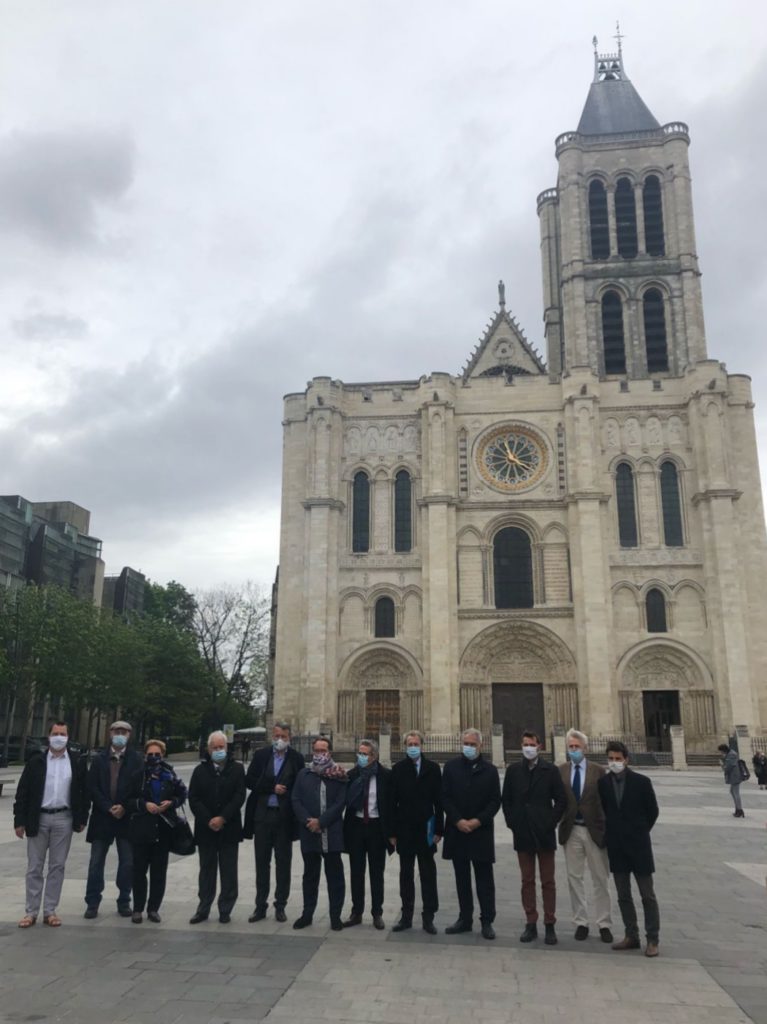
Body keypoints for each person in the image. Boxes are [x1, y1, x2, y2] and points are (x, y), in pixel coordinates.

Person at [14, 722, 89, 928]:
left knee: (57, 866)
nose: (59, 737)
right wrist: (19, 820)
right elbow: (23, 792)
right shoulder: (36, 761)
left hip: (64, 818)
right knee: (34, 867)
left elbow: (83, 792)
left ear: (68, 737)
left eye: (62, 734)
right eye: (55, 733)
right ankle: (31, 911)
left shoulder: (76, 762)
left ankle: (50, 910)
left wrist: (82, 817)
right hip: (38, 818)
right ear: (48, 736)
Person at [502, 730, 567, 945]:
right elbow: (507, 801)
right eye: (525, 744)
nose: (528, 747)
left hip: (544, 832)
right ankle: (531, 921)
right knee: (527, 880)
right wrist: (513, 823)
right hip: (523, 832)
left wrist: (550, 823)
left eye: (531, 744)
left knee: (548, 881)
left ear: (540, 746)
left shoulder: (550, 770)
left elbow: (561, 800)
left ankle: (550, 923)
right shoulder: (513, 771)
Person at [598, 741, 660, 958]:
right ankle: (631, 935)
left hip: (639, 845)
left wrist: (640, 831)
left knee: (647, 895)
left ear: (626, 759)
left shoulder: (642, 782)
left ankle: (652, 938)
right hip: (617, 846)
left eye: (618, 758)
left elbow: (652, 811)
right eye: (611, 758)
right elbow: (605, 811)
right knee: (623, 895)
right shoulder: (604, 783)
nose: (614, 762)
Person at [441, 728, 501, 940]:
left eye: (472, 744)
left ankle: (487, 921)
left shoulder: (491, 770)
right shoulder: (451, 767)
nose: (468, 747)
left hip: (480, 831)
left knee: (484, 878)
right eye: (466, 743)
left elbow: (495, 801)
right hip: (458, 830)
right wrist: (457, 820)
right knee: (462, 878)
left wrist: (477, 821)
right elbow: (445, 797)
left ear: (480, 746)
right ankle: (465, 918)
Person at [244, 720, 305, 923]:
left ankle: (281, 905)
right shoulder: (261, 755)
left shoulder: (296, 758)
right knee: (262, 862)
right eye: (277, 736)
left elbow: (300, 787)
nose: (279, 740)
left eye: (283, 737)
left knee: (283, 862)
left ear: (290, 738)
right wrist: (272, 787)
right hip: (262, 816)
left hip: (284, 818)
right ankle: (260, 905)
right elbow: (250, 780)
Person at [558, 729, 613, 943]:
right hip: (571, 830)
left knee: (601, 878)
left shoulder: (599, 771)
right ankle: (580, 922)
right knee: (574, 878)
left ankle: (604, 923)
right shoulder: (561, 770)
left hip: (594, 831)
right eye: (570, 747)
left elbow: (607, 801)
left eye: (576, 747)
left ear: (585, 748)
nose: (573, 750)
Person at [84, 720, 143, 918]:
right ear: (110, 733)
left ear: (129, 735)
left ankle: (124, 900)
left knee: (127, 862)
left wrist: (124, 807)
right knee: (96, 862)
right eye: (117, 731)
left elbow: (138, 788)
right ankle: (92, 901)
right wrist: (108, 807)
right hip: (102, 817)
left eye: (124, 732)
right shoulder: (99, 759)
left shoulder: (136, 759)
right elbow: (92, 787)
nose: (120, 734)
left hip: (126, 819)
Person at [125, 739, 188, 924]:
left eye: (157, 754)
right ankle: (138, 908)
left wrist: (171, 803)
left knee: (159, 872)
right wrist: (144, 805)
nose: (154, 757)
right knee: (139, 871)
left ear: (163, 755)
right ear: (145, 755)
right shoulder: (138, 775)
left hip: (163, 828)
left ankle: (153, 908)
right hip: (142, 828)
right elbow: (128, 800)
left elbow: (182, 794)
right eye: (150, 754)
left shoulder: (170, 774)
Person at [188, 730, 246, 924]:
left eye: (222, 747)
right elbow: (193, 798)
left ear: (227, 748)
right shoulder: (200, 770)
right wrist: (209, 819)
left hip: (229, 827)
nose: (219, 750)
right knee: (206, 869)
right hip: (206, 828)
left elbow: (239, 796)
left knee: (229, 870)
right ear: (208, 749)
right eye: (215, 747)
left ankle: (225, 909)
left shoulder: (237, 769)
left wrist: (222, 818)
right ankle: (203, 907)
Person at [389, 729, 444, 934]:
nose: (413, 747)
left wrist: (439, 829)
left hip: (426, 829)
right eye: (409, 744)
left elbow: (439, 802)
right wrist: (392, 832)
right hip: (405, 829)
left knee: (428, 874)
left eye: (416, 744)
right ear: (405, 746)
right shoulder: (399, 769)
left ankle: (429, 917)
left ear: (422, 745)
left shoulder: (432, 768)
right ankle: (406, 916)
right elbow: (392, 802)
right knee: (406, 874)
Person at [291, 736, 348, 930]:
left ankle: (335, 916)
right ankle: (307, 914)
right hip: (309, 833)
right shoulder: (304, 774)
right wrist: (309, 821)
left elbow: (341, 803)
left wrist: (321, 822)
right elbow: (295, 799)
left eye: (323, 750)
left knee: (335, 877)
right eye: (316, 750)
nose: (319, 754)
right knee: (310, 876)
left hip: (331, 833)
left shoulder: (340, 775)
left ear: (329, 752)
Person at [343, 738, 393, 930]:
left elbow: (391, 806)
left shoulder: (386, 776)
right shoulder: (352, 775)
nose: (361, 757)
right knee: (356, 872)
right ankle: (356, 912)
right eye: (360, 753)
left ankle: (377, 913)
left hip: (376, 828)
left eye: (365, 754)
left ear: (374, 756)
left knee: (376, 872)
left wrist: (392, 832)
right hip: (356, 827)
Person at [718, 743, 745, 817]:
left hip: (735, 776)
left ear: (723, 750)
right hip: (734, 776)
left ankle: (739, 810)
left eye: (720, 751)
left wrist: (722, 765)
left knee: (736, 793)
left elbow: (729, 766)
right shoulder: (730, 754)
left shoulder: (731, 754)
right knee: (732, 792)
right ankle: (738, 809)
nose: (720, 753)